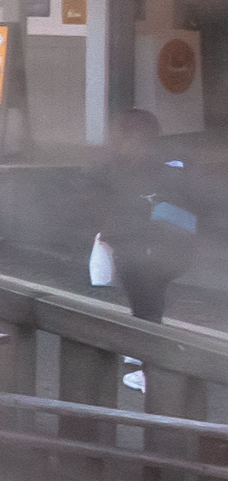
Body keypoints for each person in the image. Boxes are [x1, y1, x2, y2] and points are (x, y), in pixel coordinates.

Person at [93, 108, 198, 323]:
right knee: (145, 303)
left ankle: (145, 344)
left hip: (156, 249)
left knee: (147, 303)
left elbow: (191, 208)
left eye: (120, 137)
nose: (115, 143)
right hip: (136, 248)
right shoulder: (112, 170)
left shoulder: (166, 170)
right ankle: (145, 341)